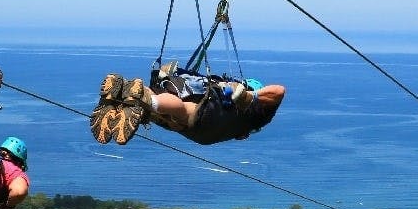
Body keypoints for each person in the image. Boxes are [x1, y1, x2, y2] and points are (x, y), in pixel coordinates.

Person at [89, 66, 285, 146]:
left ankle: (143, 98)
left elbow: (279, 90)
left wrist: (249, 95)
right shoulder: (247, 125)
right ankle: (135, 106)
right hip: (201, 135)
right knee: (175, 118)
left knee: (184, 108)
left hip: (210, 118)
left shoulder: (261, 111)